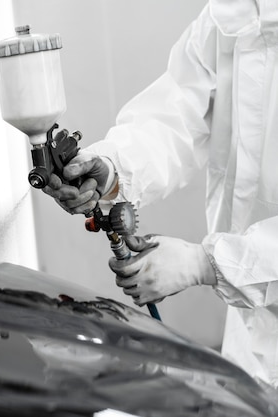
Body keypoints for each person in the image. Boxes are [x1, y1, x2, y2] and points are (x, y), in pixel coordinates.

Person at [42, 0, 278, 389]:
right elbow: (175, 118)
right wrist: (112, 169)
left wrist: (206, 264)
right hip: (250, 342)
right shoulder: (232, 15)